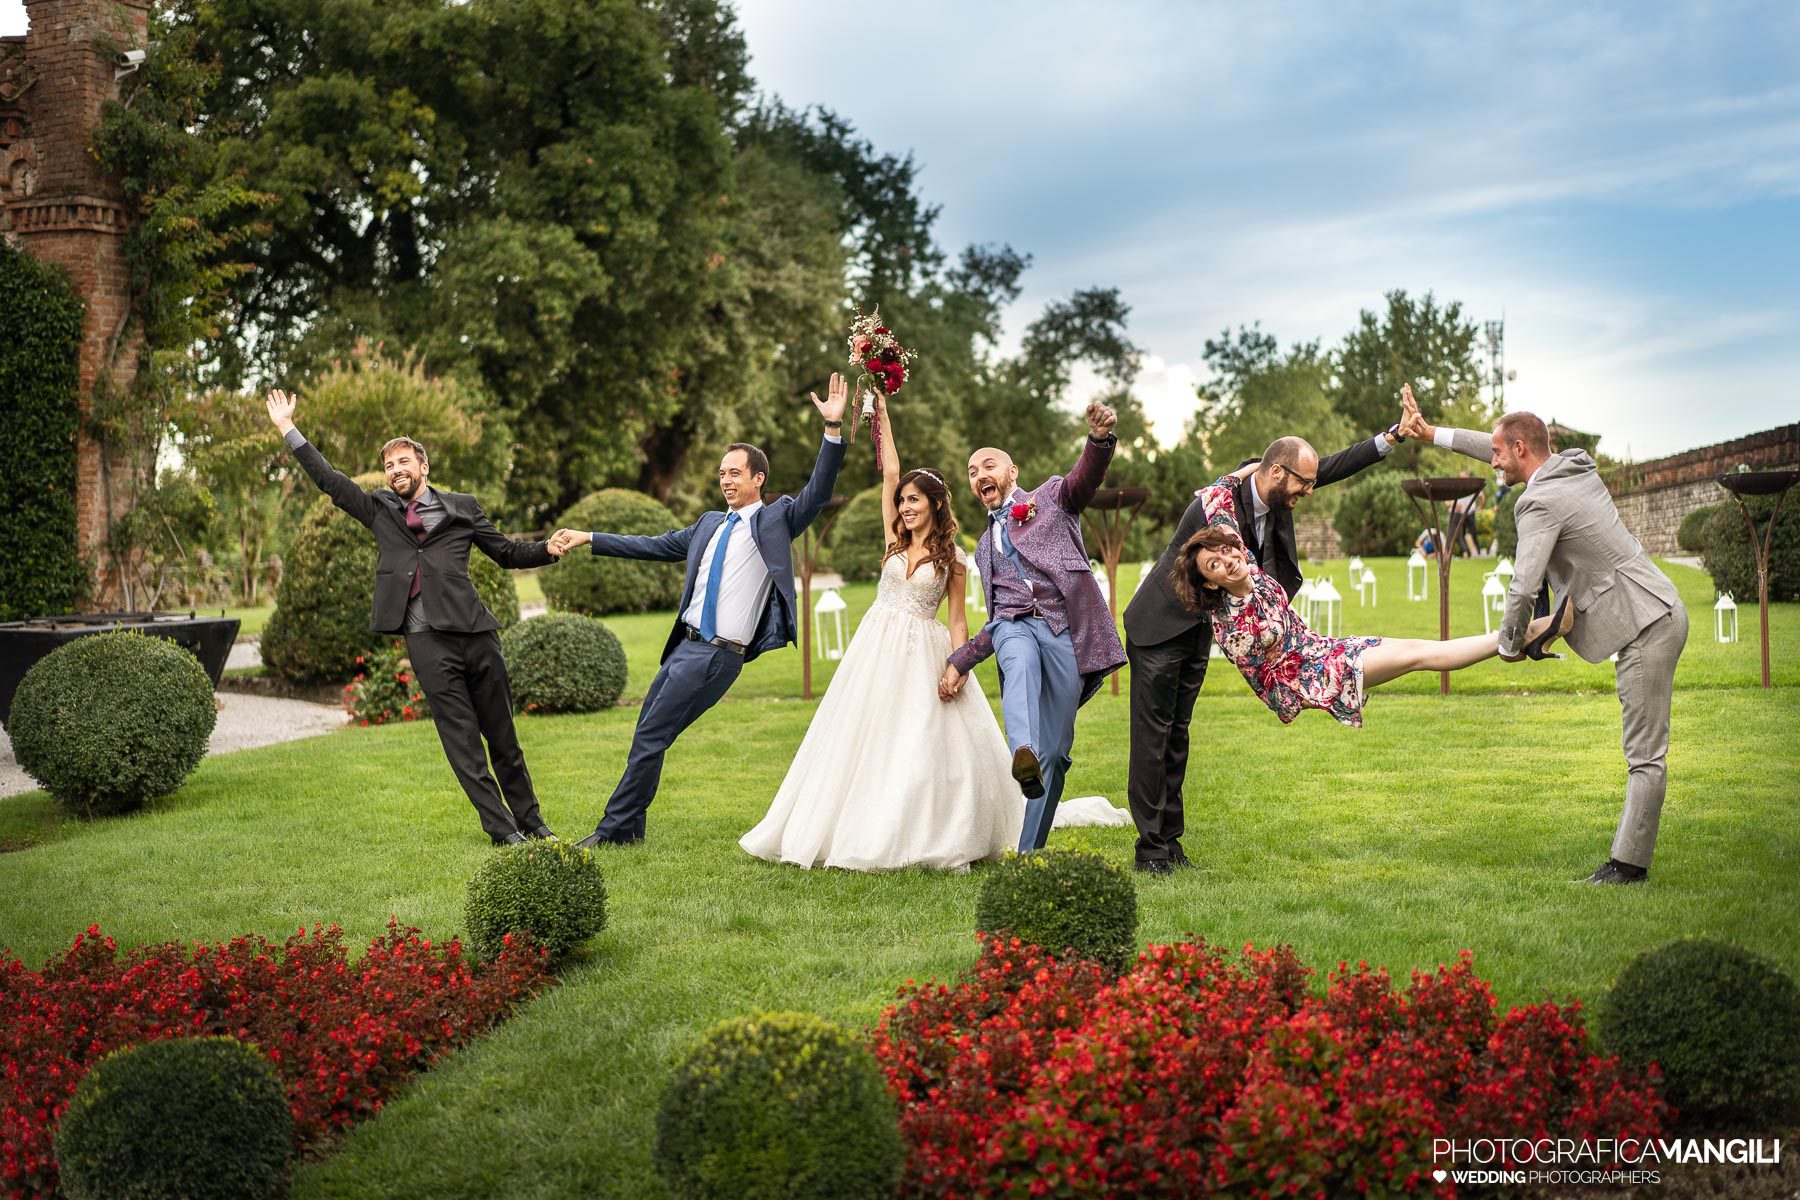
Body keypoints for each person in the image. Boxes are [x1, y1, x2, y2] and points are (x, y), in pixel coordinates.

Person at [549, 376, 849, 848]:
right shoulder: (709, 524)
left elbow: (819, 489)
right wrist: (589, 538)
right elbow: (654, 545)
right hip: (682, 648)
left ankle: (610, 833)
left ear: (758, 479)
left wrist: (832, 428)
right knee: (648, 737)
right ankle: (629, 830)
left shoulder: (777, 518)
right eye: (722, 474)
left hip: (716, 655)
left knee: (651, 737)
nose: (726, 481)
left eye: (735, 473)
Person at [1400, 402, 1687, 885]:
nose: (1491, 462)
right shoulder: (1574, 466)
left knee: (1645, 754)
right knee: (1645, 750)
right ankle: (1629, 861)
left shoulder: (1537, 503)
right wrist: (1432, 434)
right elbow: (1497, 443)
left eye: (1498, 454)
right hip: (1659, 606)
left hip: (1644, 624)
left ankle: (1627, 867)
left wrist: (1510, 643)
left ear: (1519, 450)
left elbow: (1524, 584)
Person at [264, 388, 566, 845]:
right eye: (388, 465)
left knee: (503, 737)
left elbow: (504, 552)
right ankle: (503, 832)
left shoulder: (462, 507)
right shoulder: (379, 510)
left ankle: (533, 823)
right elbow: (330, 479)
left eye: (403, 462)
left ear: (423, 467)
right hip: (425, 641)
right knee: (463, 745)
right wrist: (289, 428)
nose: (395, 470)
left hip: (477, 632)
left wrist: (547, 549)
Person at [739, 394, 1021, 870]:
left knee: (917, 741)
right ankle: (846, 823)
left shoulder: (954, 561)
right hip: (874, 648)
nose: (905, 506)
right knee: (857, 736)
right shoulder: (893, 536)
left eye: (914, 500)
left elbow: (956, 621)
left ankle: (925, 830)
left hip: (924, 652)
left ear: (934, 504)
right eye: (902, 501)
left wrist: (960, 665)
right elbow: (890, 470)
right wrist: (881, 416)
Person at [1122, 418, 1409, 875]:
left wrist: (1388, 439)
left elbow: (1322, 469)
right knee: (1153, 739)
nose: (1307, 494)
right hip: (1159, 627)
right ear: (1276, 473)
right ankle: (1150, 853)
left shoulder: (1275, 487)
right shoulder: (1217, 505)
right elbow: (1231, 512)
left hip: (1200, 628)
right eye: (1301, 485)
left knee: (1177, 737)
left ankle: (1170, 846)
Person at [1168, 490, 1573, 727]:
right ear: (1209, 582)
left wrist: (1254, 470)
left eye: (1224, 551)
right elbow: (1266, 658)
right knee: (1420, 656)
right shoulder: (1232, 625)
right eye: (1214, 566)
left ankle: (1522, 641)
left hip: (1322, 650)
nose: (1226, 560)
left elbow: (1217, 497)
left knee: (1421, 646)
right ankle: (1526, 633)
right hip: (1305, 679)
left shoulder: (1245, 563)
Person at [942, 403, 1128, 852]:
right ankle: (1021, 747)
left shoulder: (1048, 499)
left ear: (1012, 471)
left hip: (1066, 631)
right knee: (1016, 653)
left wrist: (1098, 440)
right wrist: (960, 660)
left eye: (988, 465)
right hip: (1014, 628)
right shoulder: (985, 546)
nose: (978, 474)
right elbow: (993, 619)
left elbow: (1084, 480)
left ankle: (1029, 852)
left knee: (1058, 754)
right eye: (971, 471)